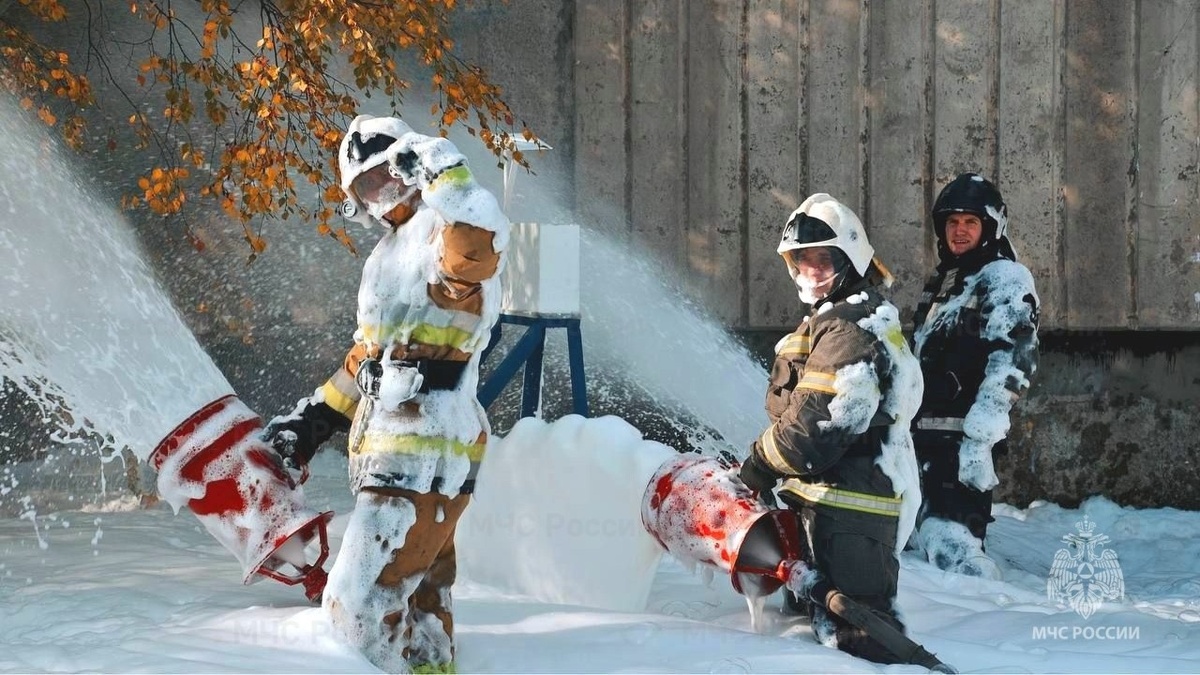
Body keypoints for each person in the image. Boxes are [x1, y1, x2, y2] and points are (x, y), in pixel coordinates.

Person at [262, 114, 509, 673]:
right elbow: (367, 356)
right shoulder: (387, 254)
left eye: (387, 178)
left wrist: (446, 170)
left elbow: (473, 253)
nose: (382, 196)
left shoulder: (443, 231)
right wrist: (316, 420)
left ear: (408, 165)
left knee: (360, 610)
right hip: (400, 451)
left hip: (424, 451)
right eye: (367, 190)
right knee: (421, 607)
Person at [738, 194, 922, 664]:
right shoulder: (834, 319)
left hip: (851, 519)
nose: (811, 270)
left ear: (850, 259)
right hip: (825, 512)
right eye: (803, 260)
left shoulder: (850, 329)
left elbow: (816, 425)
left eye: (824, 259)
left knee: (860, 645)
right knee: (815, 643)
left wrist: (757, 467)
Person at [910, 172, 1038, 578]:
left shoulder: (1003, 278)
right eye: (952, 222)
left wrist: (980, 437)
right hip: (923, 437)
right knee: (923, 538)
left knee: (953, 541)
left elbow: (1015, 357)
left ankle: (981, 622)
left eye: (970, 222)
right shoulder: (948, 281)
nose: (959, 231)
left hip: (960, 440)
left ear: (990, 227)